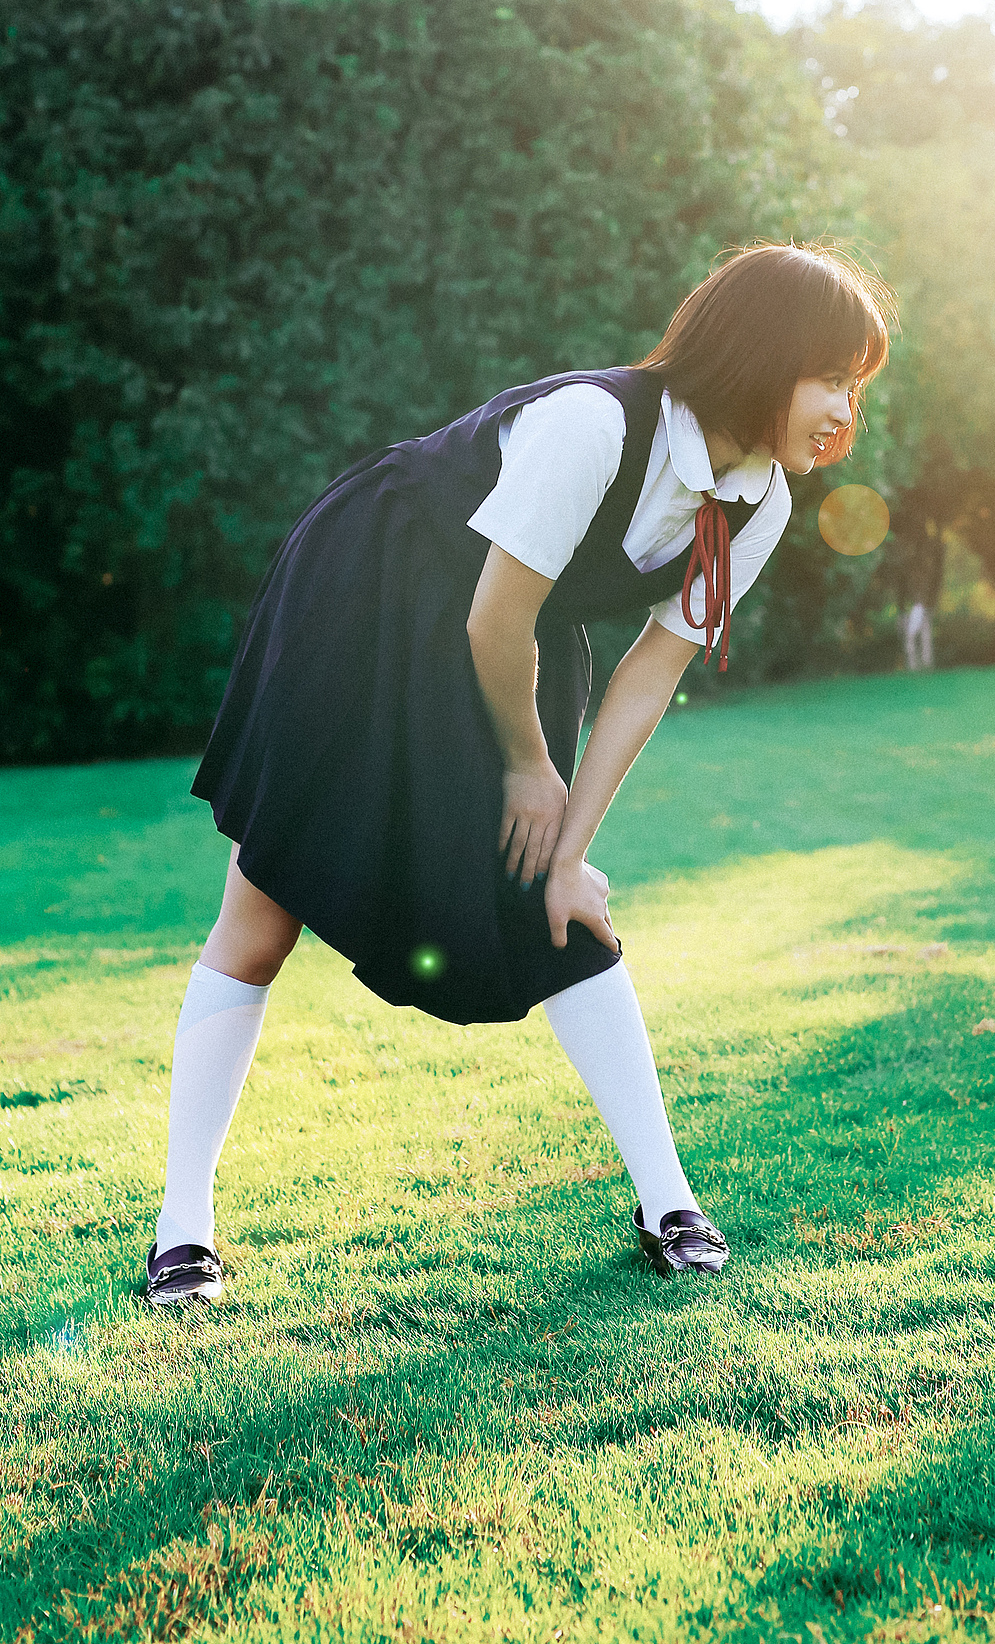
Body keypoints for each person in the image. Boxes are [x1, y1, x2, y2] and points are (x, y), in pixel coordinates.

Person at [142, 242, 892, 1307]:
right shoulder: (591, 425)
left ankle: (666, 1201)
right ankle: (182, 1234)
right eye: (830, 379)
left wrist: (567, 846)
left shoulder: (757, 500)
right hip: (369, 603)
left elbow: (649, 674)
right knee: (264, 909)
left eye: (855, 387)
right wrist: (527, 768)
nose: (843, 413)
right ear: (762, 359)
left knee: (562, 906)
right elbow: (492, 613)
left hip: (521, 644)